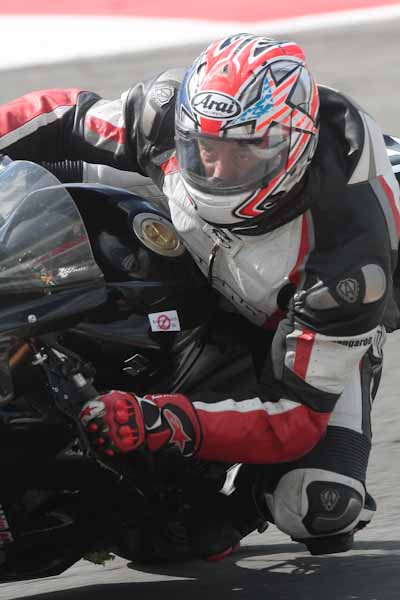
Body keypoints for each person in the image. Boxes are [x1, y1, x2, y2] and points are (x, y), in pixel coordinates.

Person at [1, 33, 399, 560]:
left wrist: (163, 421)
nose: (218, 171)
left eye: (243, 154)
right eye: (204, 149)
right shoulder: (167, 115)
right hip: (194, 238)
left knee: (316, 503)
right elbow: (64, 117)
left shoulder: (347, 262)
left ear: (293, 148)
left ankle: (235, 501)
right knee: (47, 172)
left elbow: (293, 418)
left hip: (296, 324)